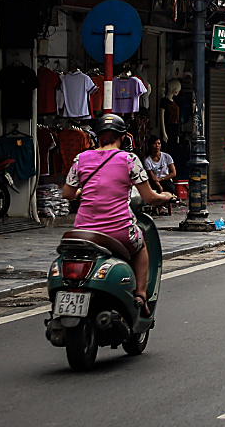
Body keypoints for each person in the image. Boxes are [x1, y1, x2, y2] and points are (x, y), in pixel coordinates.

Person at [60, 114, 173, 317]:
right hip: (118, 232)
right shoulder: (129, 160)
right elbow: (149, 197)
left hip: (82, 232)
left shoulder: (81, 158)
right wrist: (165, 196)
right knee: (141, 247)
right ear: (123, 137)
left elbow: (67, 194)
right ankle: (140, 295)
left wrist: (81, 192)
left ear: (97, 136)